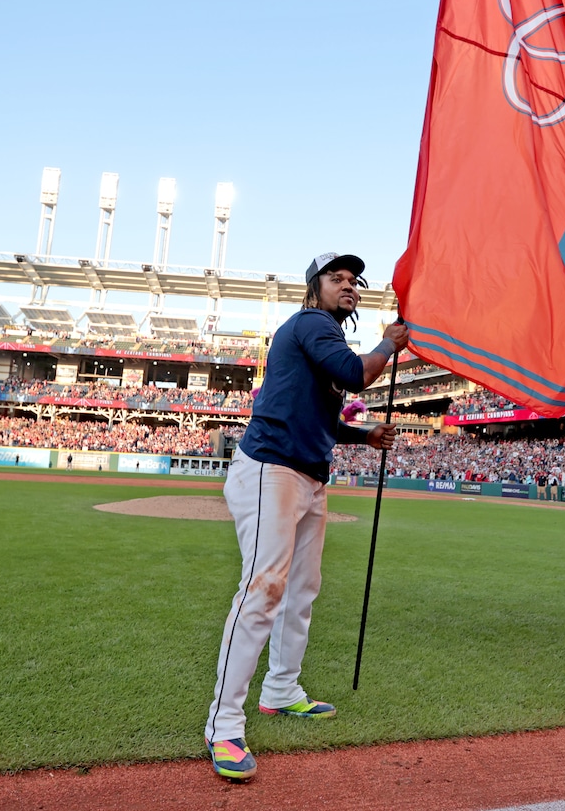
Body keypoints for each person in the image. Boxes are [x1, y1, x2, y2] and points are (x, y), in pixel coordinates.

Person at [204, 252, 409, 781]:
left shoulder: (324, 336)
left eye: (353, 281)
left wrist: (363, 435)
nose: (348, 286)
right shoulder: (312, 323)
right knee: (263, 588)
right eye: (336, 278)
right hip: (272, 468)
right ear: (313, 287)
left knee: (301, 587)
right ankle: (223, 726)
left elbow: (319, 414)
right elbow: (355, 376)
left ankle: (281, 689)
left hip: (307, 474)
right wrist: (388, 342)